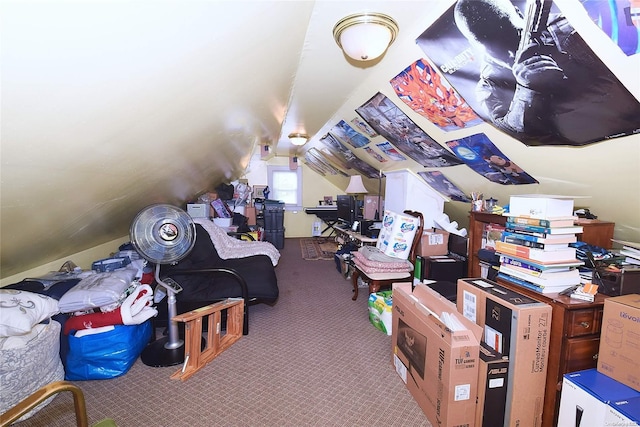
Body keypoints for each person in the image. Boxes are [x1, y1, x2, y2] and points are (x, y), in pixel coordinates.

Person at [453, 0, 640, 146]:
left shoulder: (567, 26)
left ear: (520, 15)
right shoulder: (489, 87)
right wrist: (527, 90)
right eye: (496, 47)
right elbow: (517, 134)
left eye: (514, 35)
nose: (513, 53)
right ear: (476, 46)